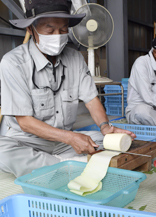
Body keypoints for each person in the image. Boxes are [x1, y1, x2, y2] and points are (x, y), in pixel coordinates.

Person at [0, 0, 135, 178]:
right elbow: (25, 122)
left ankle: (57, 166)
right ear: (30, 29)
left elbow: (91, 100)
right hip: (26, 142)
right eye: (49, 30)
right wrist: (70, 138)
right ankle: (68, 164)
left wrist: (104, 126)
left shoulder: (75, 59)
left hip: (63, 142)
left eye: (63, 30)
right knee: (4, 154)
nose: (57, 35)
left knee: (104, 140)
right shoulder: (13, 63)